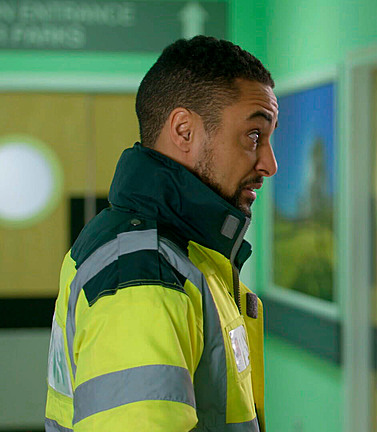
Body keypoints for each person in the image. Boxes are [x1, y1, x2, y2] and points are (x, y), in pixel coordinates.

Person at [44, 35, 278, 432]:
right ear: (184, 131)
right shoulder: (143, 274)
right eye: (254, 136)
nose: (269, 164)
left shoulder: (186, 256)